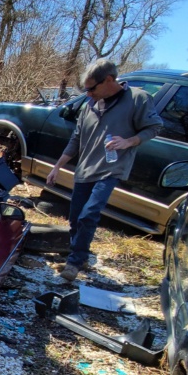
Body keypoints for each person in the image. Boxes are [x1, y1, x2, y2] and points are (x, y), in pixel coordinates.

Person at [46, 59, 163, 281]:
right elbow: (76, 140)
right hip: (85, 169)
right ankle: (80, 252)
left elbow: (154, 127)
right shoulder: (89, 105)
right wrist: (57, 167)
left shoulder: (137, 99)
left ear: (109, 80)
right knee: (75, 217)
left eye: (92, 88)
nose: (88, 94)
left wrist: (130, 141)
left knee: (89, 214)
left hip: (111, 169)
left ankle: (74, 262)